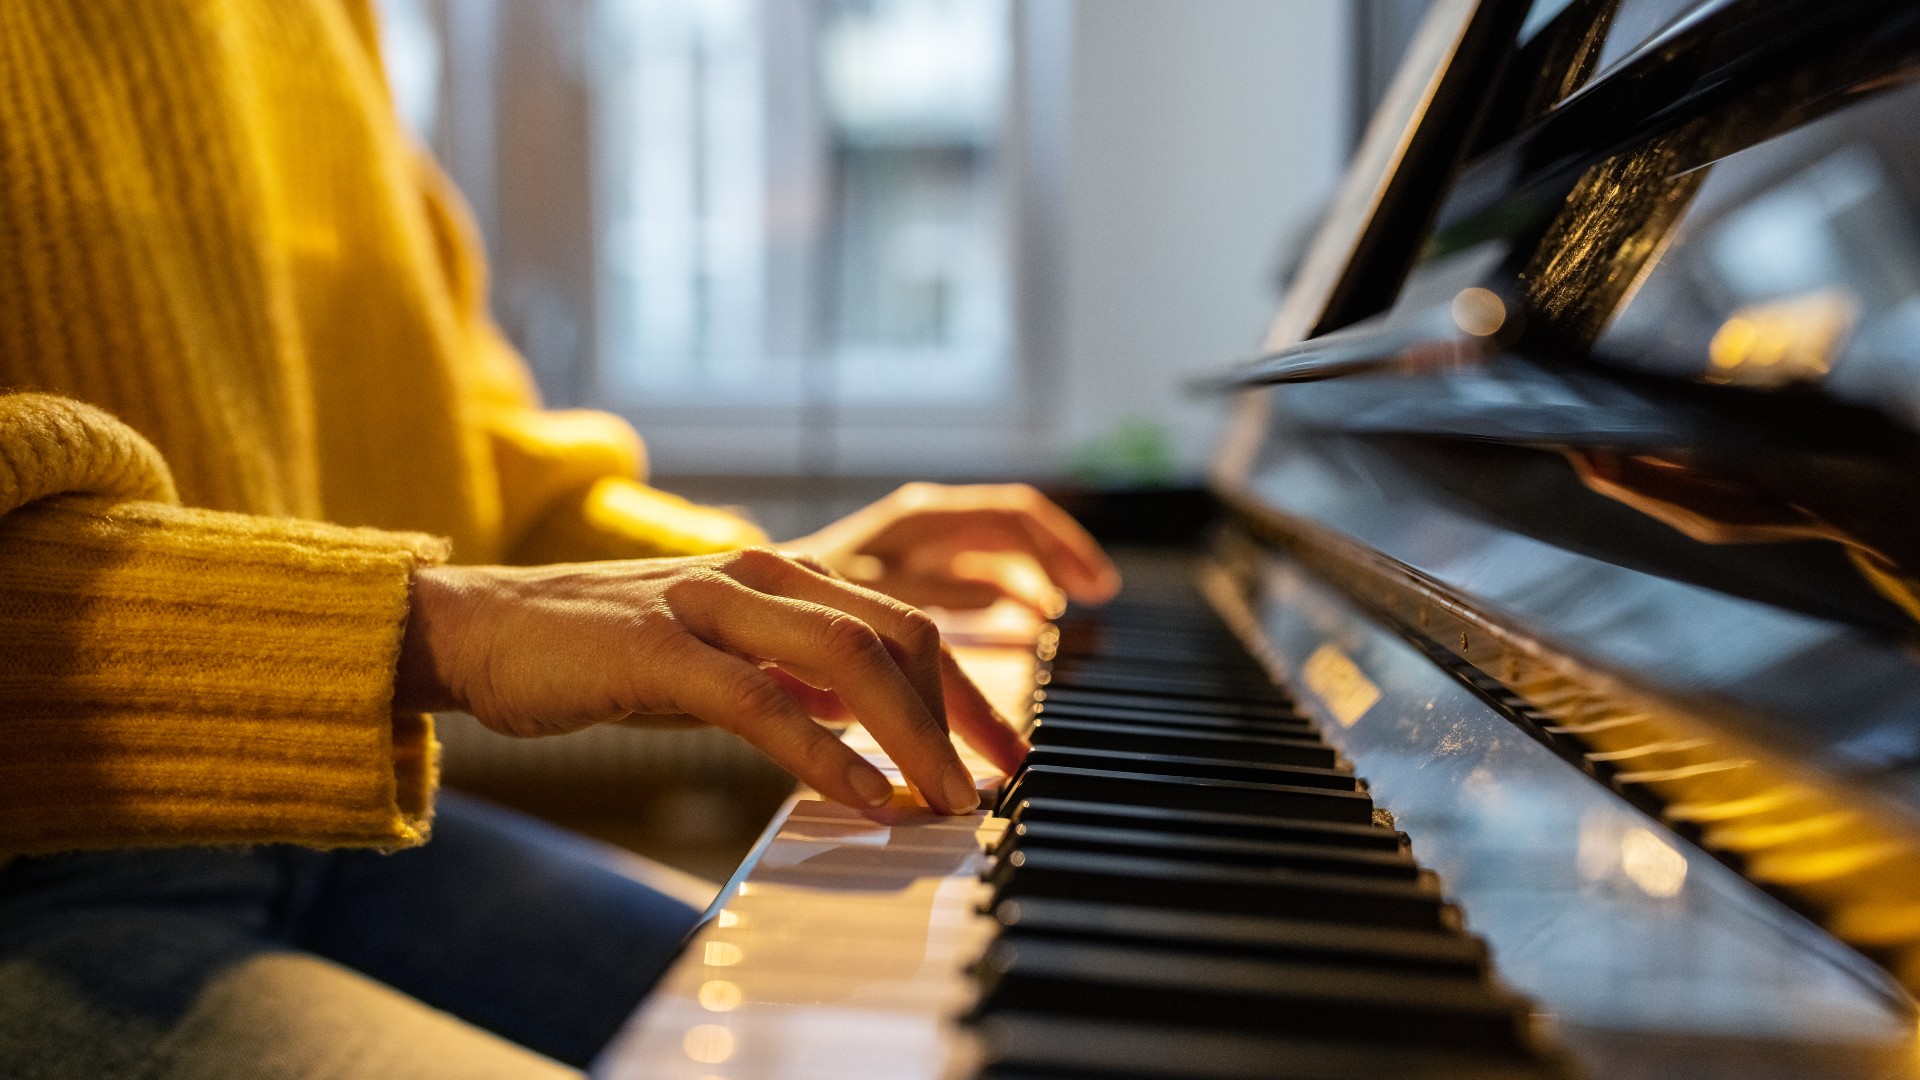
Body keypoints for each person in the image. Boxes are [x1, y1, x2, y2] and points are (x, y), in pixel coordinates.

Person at [0, 2, 1119, 1076]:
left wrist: (772, 584)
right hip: (40, 880)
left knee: (889, 1041)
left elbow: (456, 450)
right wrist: (452, 629)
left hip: (328, 829)